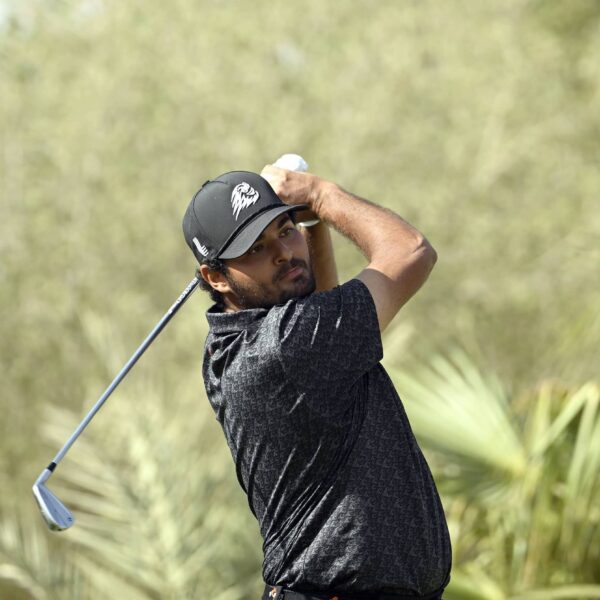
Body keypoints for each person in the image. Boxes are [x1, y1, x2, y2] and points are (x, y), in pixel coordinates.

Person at [182, 165, 452, 600]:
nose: (283, 253)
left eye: (284, 229)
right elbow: (412, 251)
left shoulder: (231, 344)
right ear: (214, 276)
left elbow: (320, 311)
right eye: (255, 247)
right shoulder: (286, 347)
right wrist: (320, 195)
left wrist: (310, 225)